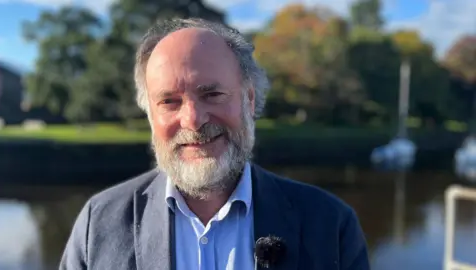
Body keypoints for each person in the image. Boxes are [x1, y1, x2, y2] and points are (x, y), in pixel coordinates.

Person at [59, 18, 370, 270]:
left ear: (248, 100)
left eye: (212, 94)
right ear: (150, 116)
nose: (193, 120)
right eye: (169, 101)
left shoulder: (330, 226)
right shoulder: (98, 224)